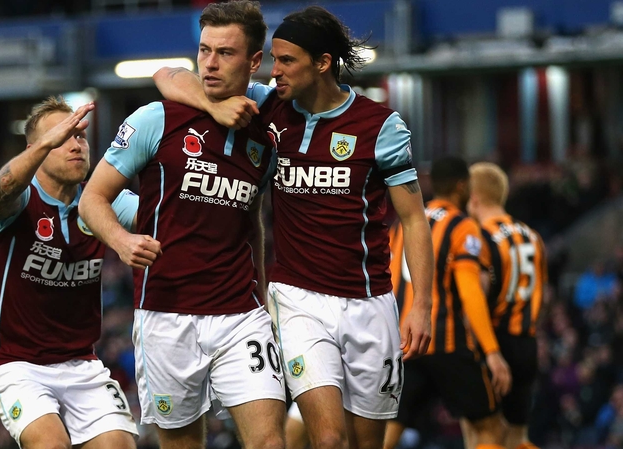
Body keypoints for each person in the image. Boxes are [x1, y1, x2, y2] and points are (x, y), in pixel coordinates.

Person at [153, 5, 434, 449]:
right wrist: (212, 105)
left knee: (367, 442)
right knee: (327, 438)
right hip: (298, 300)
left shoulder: (380, 127)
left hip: (370, 302)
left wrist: (421, 304)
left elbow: (415, 219)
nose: (273, 70)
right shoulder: (268, 107)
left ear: (322, 63)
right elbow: (167, 76)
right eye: (273, 59)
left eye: (286, 61)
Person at [79, 2, 286, 449]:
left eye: (225, 53)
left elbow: (251, 218)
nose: (210, 63)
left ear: (253, 61)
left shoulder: (268, 126)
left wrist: (264, 297)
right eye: (204, 50)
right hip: (166, 315)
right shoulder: (157, 119)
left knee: (271, 441)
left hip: (240, 315)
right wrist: (120, 240)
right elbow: (91, 200)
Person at [0, 97, 139, 449]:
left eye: (80, 135)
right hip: (15, 362)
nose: (76, 144)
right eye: (63, 138)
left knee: (119, 445)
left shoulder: (102, 201)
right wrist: (47, 142)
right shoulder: (19, 203)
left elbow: (168, 215)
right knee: (50, 444)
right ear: (37, 149)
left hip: (81, 362)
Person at [385, 156, 512, 449]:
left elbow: (389, 285)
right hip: (447, 344)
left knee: (389, 430)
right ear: (462, 186)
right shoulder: (462, 227)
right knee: (490, 426)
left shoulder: (403, 225)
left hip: (406, 345)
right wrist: (492, 352)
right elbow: (471, 293)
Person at [468, 162, 547, 449]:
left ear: (474, 198)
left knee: (483, 434)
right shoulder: (533, 236)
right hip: (527, 343)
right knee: (516, 438)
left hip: (495, 344)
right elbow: (541, 293)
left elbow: (476, 294)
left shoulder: (479, 237)